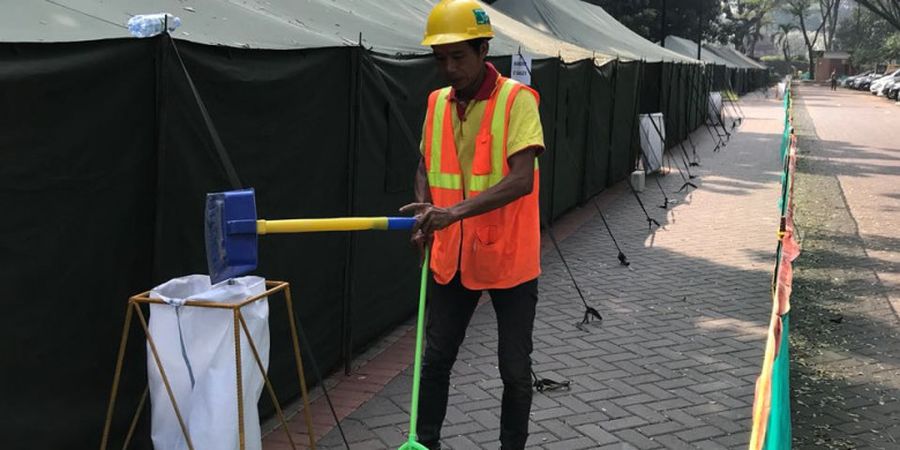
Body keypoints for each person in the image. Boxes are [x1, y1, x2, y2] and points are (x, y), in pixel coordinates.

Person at [399, 1, 545, 448]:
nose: (449, 68)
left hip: (508, 259)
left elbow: (521, 180)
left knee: (515, 370)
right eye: (440, 58)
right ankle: (425, 443)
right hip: (451, 257)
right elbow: (425, 165)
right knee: (435, 360)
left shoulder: (517, 101)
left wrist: (453, 213)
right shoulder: (436, 102)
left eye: (458, 56)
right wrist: (427, 209)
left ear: (484, 50)